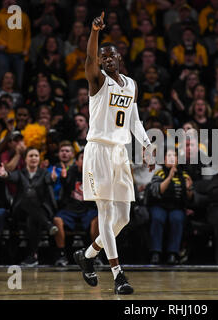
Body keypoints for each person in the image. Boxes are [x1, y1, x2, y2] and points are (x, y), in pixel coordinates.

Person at [73, 12, 155, 295]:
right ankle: (118, 274)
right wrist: (95, 32)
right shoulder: (97, 81)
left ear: (119, 60)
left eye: (111, 57)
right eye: (102, 57)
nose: (106, 60)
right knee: (106, 214)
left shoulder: (130, 84)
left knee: (124, 217)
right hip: (98, 151)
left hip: (120, 153)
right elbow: (88, 59)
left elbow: (134, 120)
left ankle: (86, 256)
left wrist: (146, 145)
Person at [0, 147, 58, 266]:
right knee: (26, 200)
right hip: (20, 211)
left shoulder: (44, 173)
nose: (33, 158)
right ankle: (48, 224)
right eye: (30, 156)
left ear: (39, 159)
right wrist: (4, 174)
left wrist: (53, 179)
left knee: (32, 220)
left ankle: (32, 256)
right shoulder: (20, 173)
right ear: (25, 159)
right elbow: (11, 176)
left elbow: (49, 180)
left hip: (38, 211)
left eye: (36, 155)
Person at [147, 148, 193, 265]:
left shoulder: (184, 175)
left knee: (177, 219)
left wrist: (188, 188)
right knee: (158, 218)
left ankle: (173, 253)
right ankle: (155, 252)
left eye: (174, 155)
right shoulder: (159, 173)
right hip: (159, 205)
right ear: (164, 159)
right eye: (169, 155)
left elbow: (189, 197)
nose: (172, 158)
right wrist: (169, 177)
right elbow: (157, 191)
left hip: (177, 207)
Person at [53, 150, 98, 266]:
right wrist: (63, 179)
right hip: (70, 209)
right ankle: (61, 255)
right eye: (83, 158)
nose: (85, 160)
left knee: (97, 220)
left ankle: (96, 255)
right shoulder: (70, 172)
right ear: (77, 162)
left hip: (87, 209)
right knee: (57, 220)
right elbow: (66, 190)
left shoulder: (95, 174)